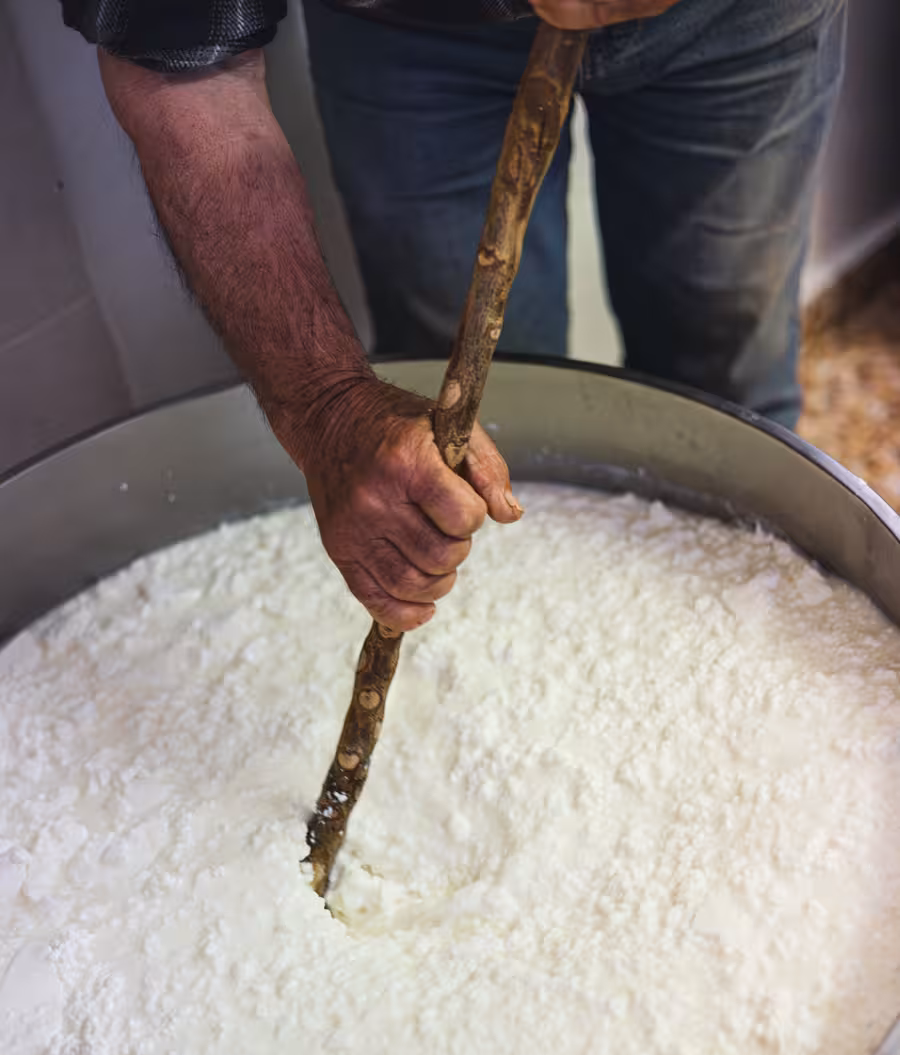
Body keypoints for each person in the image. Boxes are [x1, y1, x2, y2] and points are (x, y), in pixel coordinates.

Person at [61, 0, 846, 633]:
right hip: (410, 31)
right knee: (456, 453)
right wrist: (330, 416)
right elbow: (185, 75)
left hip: (741, 18)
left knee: (725, 372)